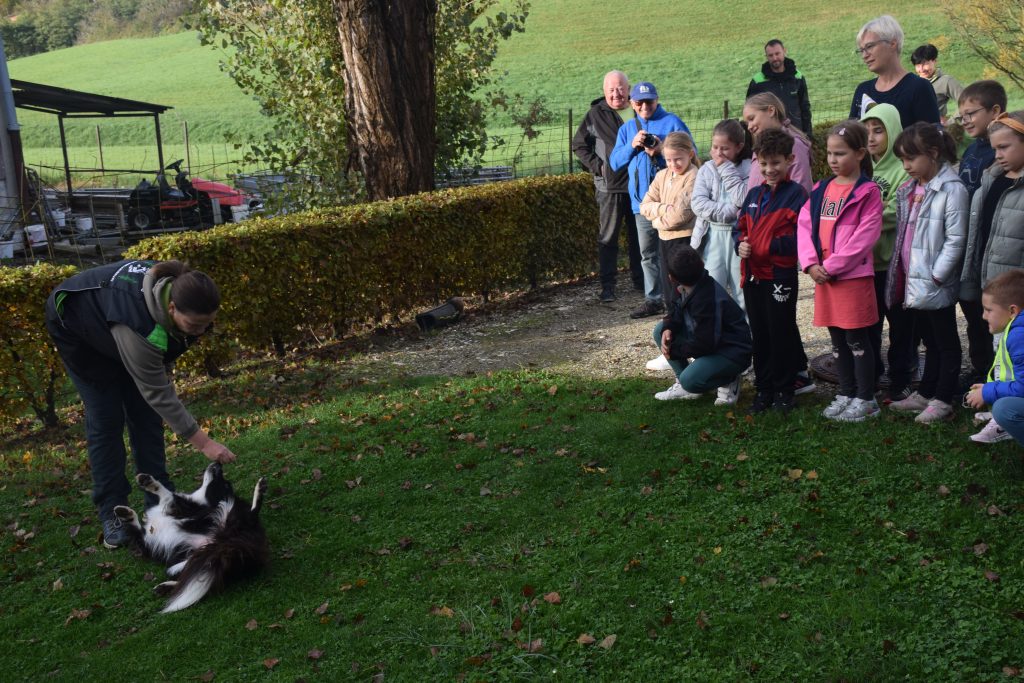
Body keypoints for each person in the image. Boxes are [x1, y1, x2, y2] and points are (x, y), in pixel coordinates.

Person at [45, 259, 235, 549]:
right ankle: (112, 511)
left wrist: (194, 328)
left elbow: (153, 380)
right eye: (195, 325)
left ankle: (160, 499)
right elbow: (158, 392)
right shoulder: (138, 325)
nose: (200, 331)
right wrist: (204, 443)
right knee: (106, 419)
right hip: (80, 333)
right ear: (171, 309)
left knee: (145, 416)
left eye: (207, 324)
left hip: (118, 330)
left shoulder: (182, 295)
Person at [798, 121, 883, 422]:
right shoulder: (821, 190)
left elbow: (866, 236)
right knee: (837, 341)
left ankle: (866, 398)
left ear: (860, 153)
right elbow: (804, 225)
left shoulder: (868, 192)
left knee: (858, 340)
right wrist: (810, 264)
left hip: (852, 279)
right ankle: (846, 392)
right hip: (824, 279)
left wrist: (831, 267)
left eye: (841, 153)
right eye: (830, 153)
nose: (833, 160)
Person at [884, 123, 968, 423]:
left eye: (911, 159)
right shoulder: (914, 187)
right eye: (902, 160)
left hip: (934, 281)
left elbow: (956, 238)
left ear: (932, 154)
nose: (905, 166)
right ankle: (926, 392)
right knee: (927, 339)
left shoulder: (951, 189)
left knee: (944, 340)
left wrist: (937, 275)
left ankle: (943, 398)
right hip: (914, 279)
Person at [742, 92, 815, 395]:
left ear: (770, 110)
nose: (748, 126)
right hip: (755, 258)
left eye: (751, 118)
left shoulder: (790, 145)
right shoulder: (765, 149)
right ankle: (772, 379)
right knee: (765, 323)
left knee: (780, 322)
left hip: (777, 257)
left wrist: (770, 241)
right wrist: (744, 238)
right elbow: (747, 211)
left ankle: (790, 378)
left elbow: (798, 195)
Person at [733, 129, 808, 414]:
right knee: (760, 332)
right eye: (763, 164)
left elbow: (801, 238)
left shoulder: (796, 195)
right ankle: (764, 389)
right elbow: (739, 230)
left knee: (781, 330)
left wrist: (766, 245)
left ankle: (785, 389)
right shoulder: (754, 194)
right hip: (753, 275)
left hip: (780, 275)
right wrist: (739, 245)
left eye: (775, 163)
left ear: (789, 160)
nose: (769, 169)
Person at [960, 111, 1024, 441]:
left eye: (1004, 147)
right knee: (999, 350)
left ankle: (1005, 417)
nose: (997, 154)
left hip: (1015, 290)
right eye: (994, 147)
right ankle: (1000, 403)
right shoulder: (992, 177)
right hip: (990, 279)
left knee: (1014, 354)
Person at [610, 82, 693, 320]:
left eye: (649, 101)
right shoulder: (627, 129)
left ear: (657, 100)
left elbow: (692, 151)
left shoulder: (673, 122)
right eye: (639, 102)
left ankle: (680, 295)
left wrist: (662, 147)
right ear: (632, 104)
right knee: (648, 254)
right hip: (643, 205)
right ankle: (653, 299)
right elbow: (615, 163)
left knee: (676, 251)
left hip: (672, 202)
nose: (645, 106)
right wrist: (632, 146)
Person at [572, 70, 644, 302]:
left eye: (621, 88)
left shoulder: (639, 109)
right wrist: (598, 167)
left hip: (639, 185)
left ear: (629, 88)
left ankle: (641, 281)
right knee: (608, 238)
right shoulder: (595, 114)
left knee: (640, 237)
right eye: (612, 89)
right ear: (604, 92)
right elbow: (579, 145)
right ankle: (608, 286)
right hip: (609, 187)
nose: (617, 94)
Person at [861, 104, 914, 403]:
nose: (871, 138)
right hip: (866, 263)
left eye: (878, 131)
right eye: (866, 131)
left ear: (892, 131)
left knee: (901, 327)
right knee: (870, 323)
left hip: (894, 264)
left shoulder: (901, 169)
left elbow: (898, 210)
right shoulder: (863, 167)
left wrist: (863, 218)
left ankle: (901, 378)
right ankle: (872, 372)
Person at [651, 246, 752, 403]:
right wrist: (668, 328)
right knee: (660, 331)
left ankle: (729, 378)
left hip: (731, 352)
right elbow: (676, 311)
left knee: (690, 380)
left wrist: (675, 351)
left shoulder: (706, 299)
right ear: (702, 264)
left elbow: (706, 343)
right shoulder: (686, 287)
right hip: (712, 344)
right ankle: (684, 383)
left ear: (671, 277)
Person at [956, 81, 1007, 383]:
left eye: (971, 113)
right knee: (974, 313)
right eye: (961, 116)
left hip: (995, 246)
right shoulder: (972, 149)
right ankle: (980, 370)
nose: (965, 121)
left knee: (997, 315)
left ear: (996, 111)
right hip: (971, 244)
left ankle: (999, 376)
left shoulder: (1002, 153)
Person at [690, 119, 752, 314]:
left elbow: (743, 199)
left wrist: (726, 169)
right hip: (712, 237)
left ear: (739, 146)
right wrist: (730, 211)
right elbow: (698, 204)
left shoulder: (750, 168)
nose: (718, 153)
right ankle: (716, 338)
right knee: (712, 290)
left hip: (738, 237)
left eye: (724, 148)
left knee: (742, 292)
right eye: (715, 147)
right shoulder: (706, 169)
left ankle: (748, 338)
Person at [964, 270, 1024, 444]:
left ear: (1012, 310)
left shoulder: (1019, 336)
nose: (983, 316)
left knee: (1004, 409)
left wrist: (988, 392)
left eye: (988, 310)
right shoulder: (1017, 329)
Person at [850, 15, 940, 129]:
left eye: (869, 46)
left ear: (892, 44)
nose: (864, 55)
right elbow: (851, 139)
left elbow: (932, 140)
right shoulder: (863, 91)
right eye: (862, 50)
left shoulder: (918, 88)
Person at [746, 39, 813, 137]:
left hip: (796, 134)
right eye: (770, 55)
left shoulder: (797, 77)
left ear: (784, 51)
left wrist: (808, 135)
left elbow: (805, 107)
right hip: (769, 137)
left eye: (777, 53)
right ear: (766, 57)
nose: (775, 58)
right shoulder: (758, 82)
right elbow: (750, 112)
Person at [910, 44, 963, 125]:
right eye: (917, 65)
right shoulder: (911, 82)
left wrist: (950, 122)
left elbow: (966, 101)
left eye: (925, 64)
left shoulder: (946, 81)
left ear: (935, 61)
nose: (921, 69)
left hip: (935, 132)